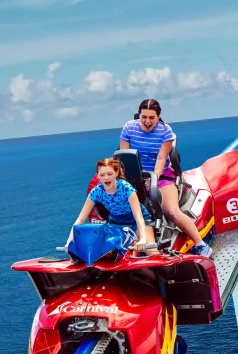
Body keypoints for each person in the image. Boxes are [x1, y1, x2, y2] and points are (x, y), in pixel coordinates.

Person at [119, 99, 212, 258]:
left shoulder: (165, 132)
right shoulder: (129, 128)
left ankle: (200, 245)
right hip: (135, 176)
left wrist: (153, 178)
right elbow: (124, 156)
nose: (147, 121)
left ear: (158, 116)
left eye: (152, 117)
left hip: (160, 175)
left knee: (171, 211)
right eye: (144, 117)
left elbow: (162, 158)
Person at [67, 158, 154, 253]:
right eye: (102, 175)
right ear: (98, 176)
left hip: (137, 221)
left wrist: (143, 239)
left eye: (109, 174)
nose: (106, 178)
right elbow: (80, 219)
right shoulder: (96, 192)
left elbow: (138, 216)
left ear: (116, 173)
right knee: (105, 252)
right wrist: (69, 242)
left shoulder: (127, 189)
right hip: (115, 222)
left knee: (151, 251)